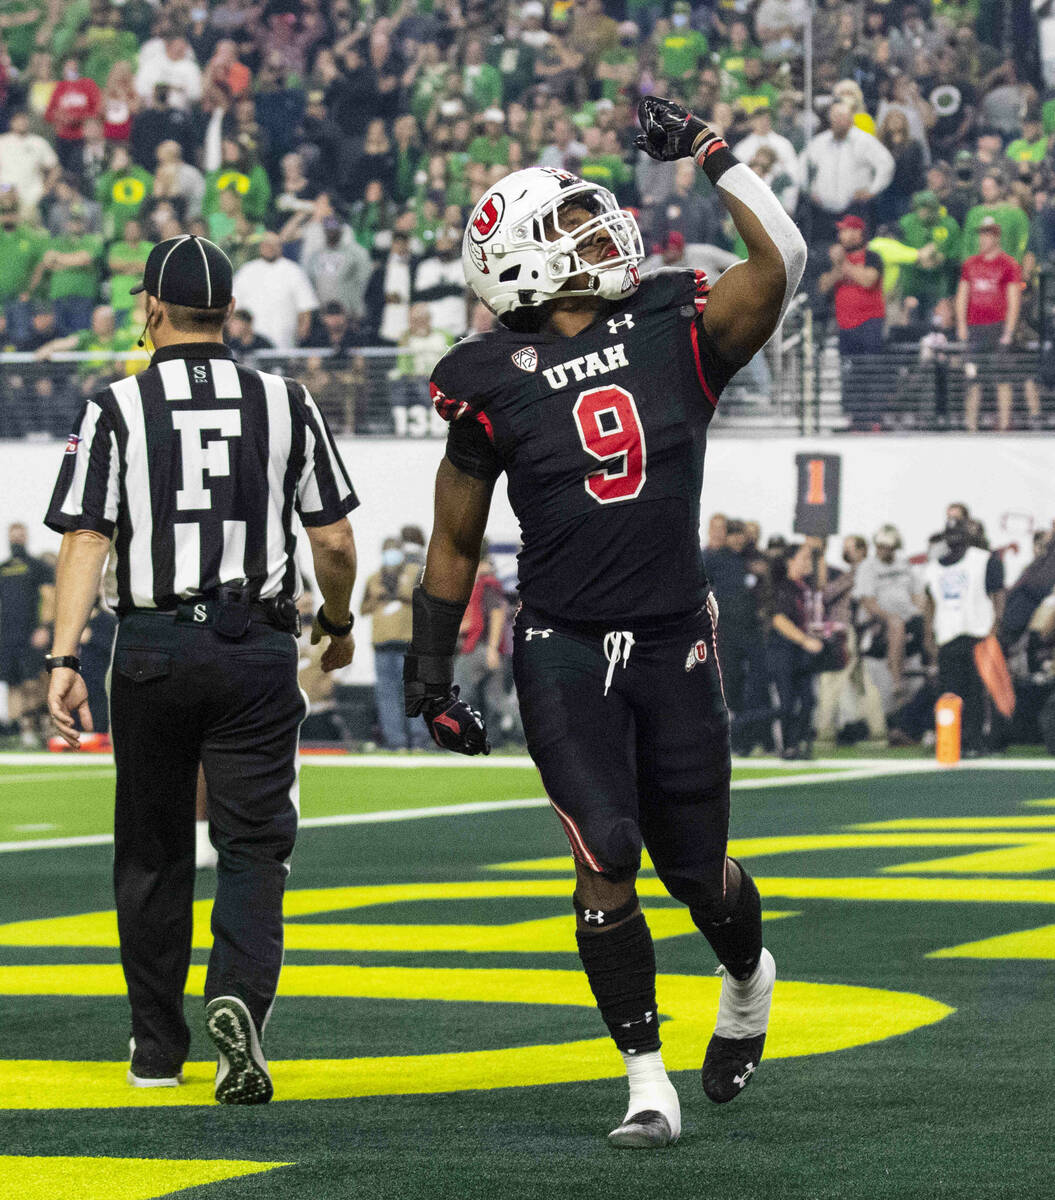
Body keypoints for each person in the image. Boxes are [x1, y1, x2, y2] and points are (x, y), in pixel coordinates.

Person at [403, 96, 806, 1147]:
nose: (603, 234)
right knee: (603, 854)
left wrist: (712, 156)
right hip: (563, 644)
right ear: (520, 268)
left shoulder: (676, 322)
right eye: (572, 230)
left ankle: (746, 976)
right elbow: (452, 542)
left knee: (696, 871)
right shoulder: (483, 378)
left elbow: (784, 261)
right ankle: (645, 1079)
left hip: (676, 638)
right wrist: (429, 678)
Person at [45, 234, 359, 1106]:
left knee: (151, 851)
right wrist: (334, 624)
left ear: (151, 305)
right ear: (229, 313)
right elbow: (330, 538)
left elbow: (86, 535)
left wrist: (65, 653)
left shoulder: (114, 404)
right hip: (256, 644)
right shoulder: (285, 400)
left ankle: (154, 1047)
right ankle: (240, 1002)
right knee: (254, 845)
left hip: (151, 645)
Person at [924, 519, 1005, 755]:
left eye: (958, 533)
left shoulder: (983, 560)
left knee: (977, 692)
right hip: (948, 635)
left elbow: (997, 594)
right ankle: (953, 739)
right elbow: (930, 602)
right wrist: (928, 634)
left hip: (978, 634)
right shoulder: (933, 568)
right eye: (949, 533)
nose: (954, 539)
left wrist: (995, 627)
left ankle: (978, 740)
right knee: (950, 692)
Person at [955, 215, 1030, 432]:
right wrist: (961, 325)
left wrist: (1009, 330)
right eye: (981, 235)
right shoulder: (970, 264)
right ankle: (971, 426)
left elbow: (1013, 298)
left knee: (1003, 377)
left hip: (997, 327)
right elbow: (962, 295)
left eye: (987, 235)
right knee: (972, 377)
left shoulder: (1008, 265)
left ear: (996, 237)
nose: (982, 239)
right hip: (975, 327)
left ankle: (1004, 424)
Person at [361, 538, 426, 751]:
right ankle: (395, 741)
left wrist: (402, 594)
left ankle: (418, 740)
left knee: (413, 692)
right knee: (387, 695)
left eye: (394, 551)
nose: (391, 555)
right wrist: (377, 598)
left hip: (407, 643)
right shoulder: (374, 578)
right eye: (387, 551)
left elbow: (425, 600)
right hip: (382, 644)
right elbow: (363, 608)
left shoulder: (414, 572)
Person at [0, 523, 55, 747]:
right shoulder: (2, 568)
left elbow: (50, 599)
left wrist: (44, 627)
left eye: (20, 534)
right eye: (13, 535)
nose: (17, 539)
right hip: (7, 638)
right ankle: (21, 731)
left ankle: (40, 728)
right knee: (12, 684)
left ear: (26, 536)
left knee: (33, 683)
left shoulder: (38, 567)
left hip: (32, 636)